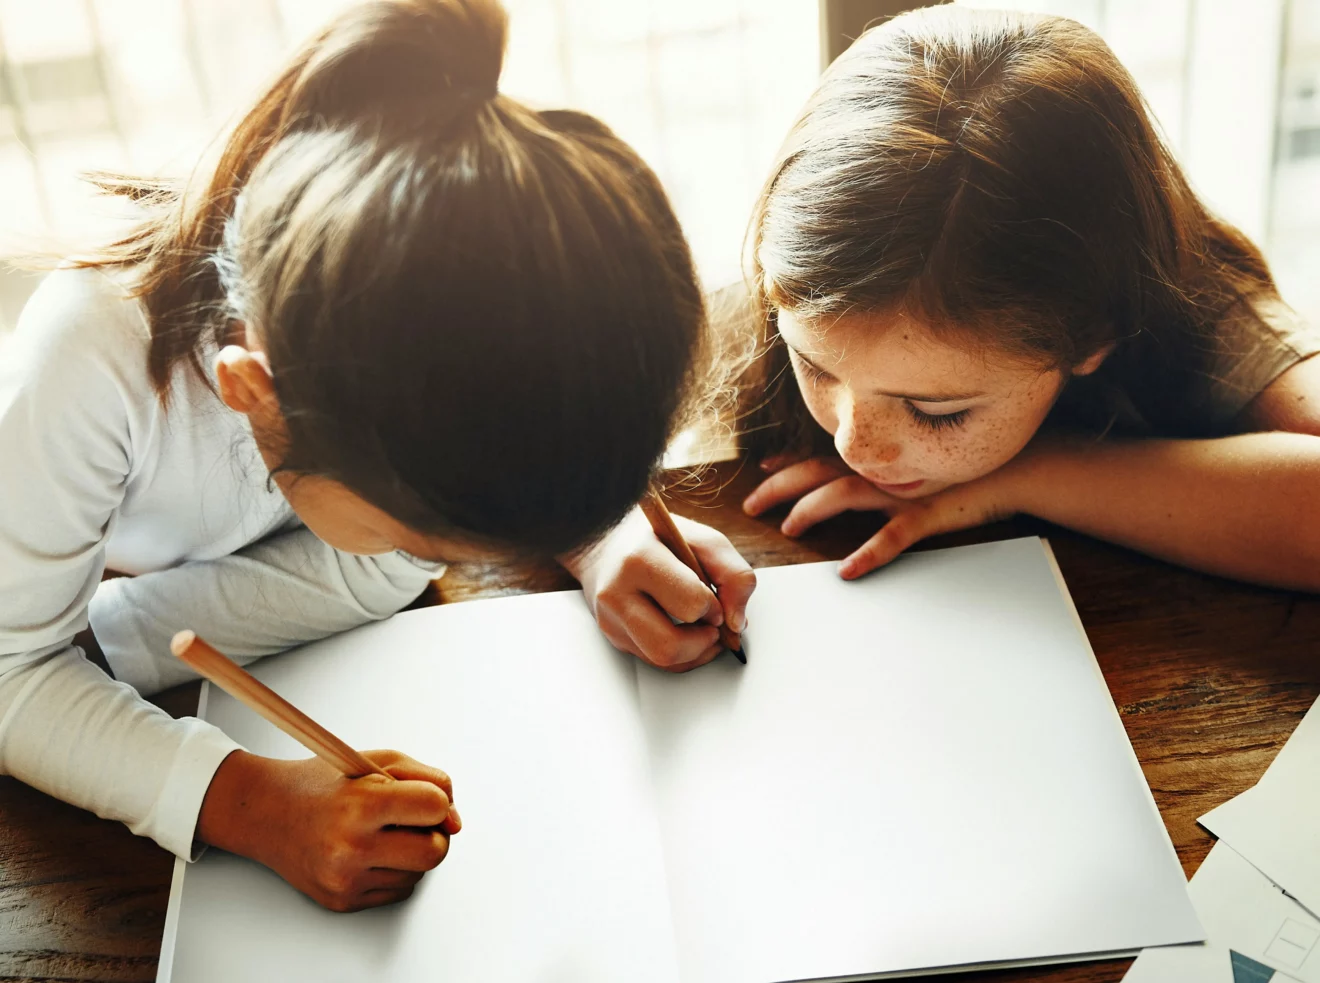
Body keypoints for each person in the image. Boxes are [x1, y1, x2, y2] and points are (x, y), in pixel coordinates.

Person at [0, 0, 753, 914]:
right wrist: (251, 802)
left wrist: (598, 535)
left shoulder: (464, 253)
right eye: (427, 535)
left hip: (157, 600)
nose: (450, 558)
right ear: (253, 392)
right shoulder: (89, 360)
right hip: (47, 597)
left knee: (385, 570)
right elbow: (11, 672)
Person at [732, 6, 1320, 590]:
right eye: (814, 366)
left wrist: (1029, 475)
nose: (855, 446)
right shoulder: (780, 287)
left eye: (938, 412)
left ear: (1092, 334)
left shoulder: (1210, 314)